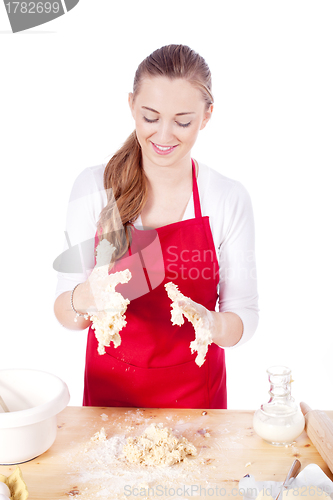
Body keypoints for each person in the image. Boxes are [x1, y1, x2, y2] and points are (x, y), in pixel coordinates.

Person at [54, 44, 259, 409]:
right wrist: (84, 298)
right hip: (108, 404)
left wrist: (213, 324)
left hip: (198, 401)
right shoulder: (93, 189)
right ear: (132, 104)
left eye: (183, 122)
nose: (164, 136)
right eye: (150, 117)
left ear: (207, 115)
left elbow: (245, 314)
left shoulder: (227, 198)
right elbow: (68, 315)